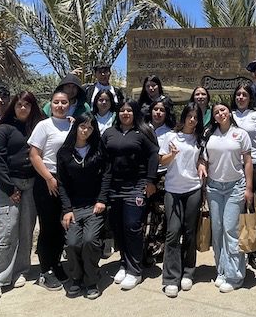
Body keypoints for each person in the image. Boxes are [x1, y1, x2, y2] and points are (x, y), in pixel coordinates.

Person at [0, 91, 44, 300]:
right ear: (13, 106)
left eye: (27, 105)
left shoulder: (37, 127)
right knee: (7, 230)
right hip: (9, 186)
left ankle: (21, 270)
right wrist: (9, 188)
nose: (23, 108)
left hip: (32, 184)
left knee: (27, 230)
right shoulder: (3, 129)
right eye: (19, 105)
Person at [101, 100, 159, 290]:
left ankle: (135, 270)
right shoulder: (109, 133)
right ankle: (124, 263)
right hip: (114, 187)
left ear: (135, 113)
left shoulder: (143, 132)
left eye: (129, 110)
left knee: (132, 226)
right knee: (118, 227)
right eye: (122, 110)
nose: (125, 113)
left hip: (136, 186)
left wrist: (150, 181)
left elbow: (154, 154)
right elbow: (103, 158)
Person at [199, 102, 253, 293]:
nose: (220, 113)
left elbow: (248, 162)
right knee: (218, 229)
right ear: (213, 117)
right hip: (214, 187)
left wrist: (249, 188)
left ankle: (235, 275)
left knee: (231, 230)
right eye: (216, 112)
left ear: (229, 112)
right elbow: (203, 158)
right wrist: (202, 168)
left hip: (235, 187)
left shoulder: (240, 134)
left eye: (223, 110)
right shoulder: (209, 134)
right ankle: (221, 270)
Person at [56, 113, 109, 300]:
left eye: (90, 127)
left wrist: (102, 200)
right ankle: (77, 278)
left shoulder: (98, 150)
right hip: (73, 207)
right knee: (72, 243)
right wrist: (67, 210)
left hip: (94, 205)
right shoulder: (64, 153)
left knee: (90, 240)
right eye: (82, 126)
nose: (85, 130)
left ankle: (91, 280)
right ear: (76, 127)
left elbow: (106, 175)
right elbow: (61, 183)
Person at [158, 103, 205, 298]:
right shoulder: (171, 136)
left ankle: (188, 272)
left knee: (189, 231)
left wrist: (201, 164)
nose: (192, 120)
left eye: (196, 117)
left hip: (193, 188)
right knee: (173, 232)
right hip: (173, 190)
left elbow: (202, 159)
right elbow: (161, 160)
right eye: (189, 116)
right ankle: (171, 277)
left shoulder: (200, 139)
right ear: (184, 116)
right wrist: (172, 155)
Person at [28, 90, 73, 291]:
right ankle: (45, 270)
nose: (60, 106)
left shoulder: (72, 124)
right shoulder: (44, 125)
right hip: (47, 180)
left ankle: (56, 264)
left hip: (67, 181)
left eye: (64, 102)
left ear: (69, 105)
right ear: (50, 104)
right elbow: (34, 155)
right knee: (48, 227)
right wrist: (48, 178)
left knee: (62, 226)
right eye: (56, 102)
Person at [231, 81, 256, 275]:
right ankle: (238, 250)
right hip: (232, 167)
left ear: (250, 97)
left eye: (244, 95)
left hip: (253, 165)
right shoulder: (229, 115)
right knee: (235, 209)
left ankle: (255, 252)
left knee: (253, 208)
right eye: (238, 94)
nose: (241, 97)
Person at [143, 98, 175, 266]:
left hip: (162, 176)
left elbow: (167, 157)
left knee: (160, 214)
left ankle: (157, 249)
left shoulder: (170, 133)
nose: (158, 113)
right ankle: (142, 249)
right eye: (156, 109)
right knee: (143, 213)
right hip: (143, 175)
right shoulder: (142, 128)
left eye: (162, 110)